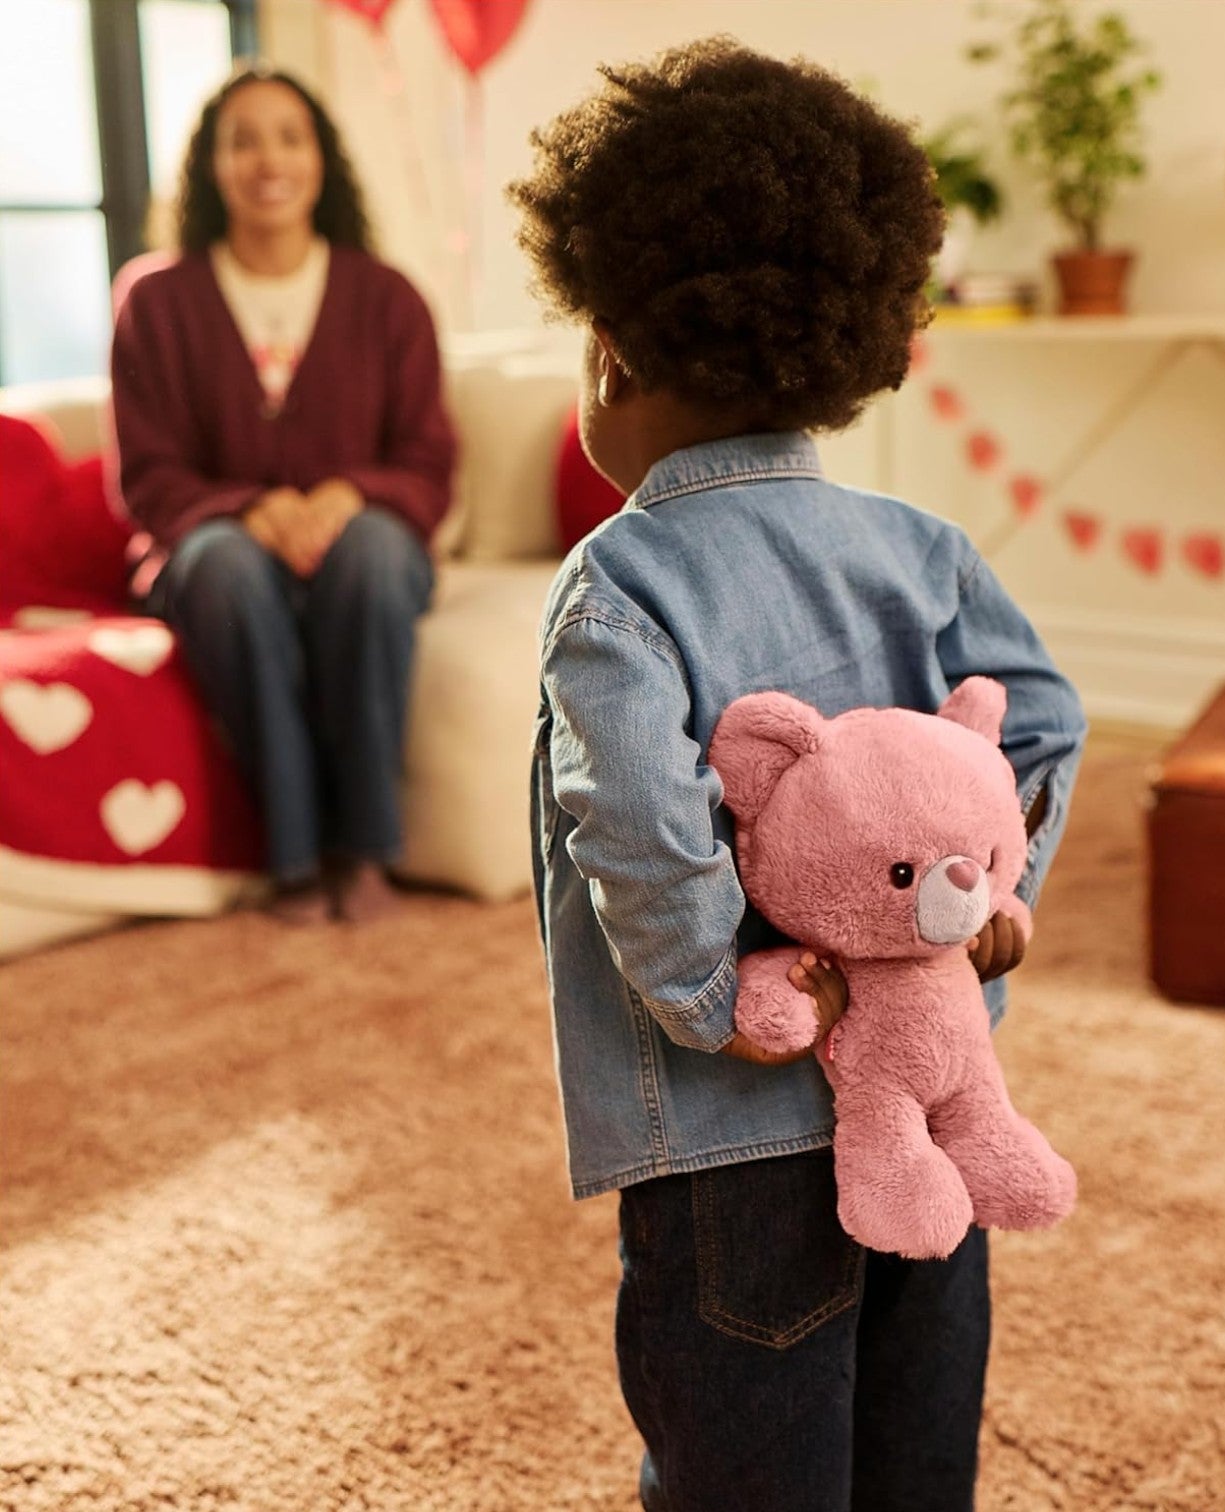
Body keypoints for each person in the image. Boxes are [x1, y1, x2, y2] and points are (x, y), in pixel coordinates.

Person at [513, 39, 1087, 1512]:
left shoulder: (618, 586)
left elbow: (634, 823)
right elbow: (1038, 729)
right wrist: (981, 917)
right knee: (917, 1436)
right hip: (936, 1086)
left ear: (614, 353)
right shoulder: (922, 548)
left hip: (730, 1144)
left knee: (744, 1464)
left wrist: (727, 998)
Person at [110, 66, 455, 923]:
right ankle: (295, 861)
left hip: (360, 539)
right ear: (212, 165)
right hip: (214, 550)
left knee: (375, 554)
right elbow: (147, 475)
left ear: (322, 159)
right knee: (225, 566)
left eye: (290, 136)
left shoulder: (389, 297)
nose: (269, 158)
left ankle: (367, 851)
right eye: (243, 138)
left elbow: (427, 460)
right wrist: (245, 509)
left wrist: (348, 495)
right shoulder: (154, 299)